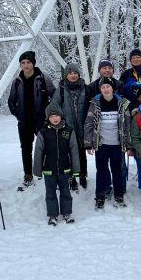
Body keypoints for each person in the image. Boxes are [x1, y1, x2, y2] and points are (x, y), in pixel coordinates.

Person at [8, 50, 55, 188]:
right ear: (20, 65)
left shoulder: (43, 78)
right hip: (24, 121)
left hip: (42, 120)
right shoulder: (17, 81)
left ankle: (50, 173)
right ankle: (28, 175)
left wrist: (50, 114)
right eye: (23, 63)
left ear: (33, 63)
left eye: (28, 62)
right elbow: (11, 101)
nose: (26, 65)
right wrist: (18, 114)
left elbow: (54, 96)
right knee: (26, 148)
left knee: (47, 147)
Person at [83, 77, 131, 210]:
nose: (105, 89)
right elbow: (88, 123)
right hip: (101, 145)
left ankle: (119, 195)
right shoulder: (95, 104)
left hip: (117, 144)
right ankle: (99, 196)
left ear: (113, 89)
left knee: (117, 170)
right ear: (100, 89)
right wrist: (88, 143)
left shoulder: (122, 103)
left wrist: (128, 145)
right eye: (103, 87)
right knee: (102, 171)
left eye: (108, 87)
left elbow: (127, 124)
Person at [33, 104, 80, 226]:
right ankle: (53, 215)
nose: (55, 118)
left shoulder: (68, 131)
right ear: (48, 118)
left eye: (57, 115)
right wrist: (37, 171)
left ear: (61, 116)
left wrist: (75, 169)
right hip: (49, 170)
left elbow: (74, 150)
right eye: (52, 116)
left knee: (66, 192)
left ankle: (66, 213)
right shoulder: (43, 132)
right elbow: (38, 151)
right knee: (50, 194)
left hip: (65, 169)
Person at [51, 63, 91, 192]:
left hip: (83, 126)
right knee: (69, 154)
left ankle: (83, 175)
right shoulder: (61, 90)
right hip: (67, 127)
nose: (73, 75)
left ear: (78, 74)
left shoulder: (86, 88)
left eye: (75, 73)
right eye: (70, 73)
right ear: (66, 75)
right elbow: (54, 107)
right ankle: (71, 178)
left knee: (81, 153)